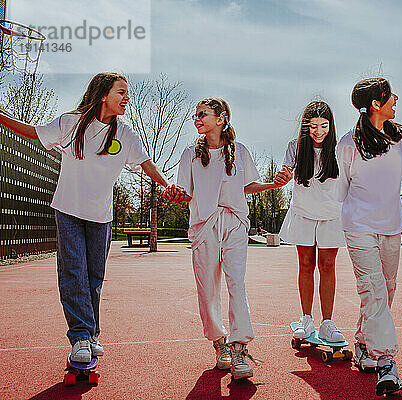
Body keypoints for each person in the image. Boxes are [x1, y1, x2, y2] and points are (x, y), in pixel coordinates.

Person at [0, 73, 176, 363]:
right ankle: (80, 337)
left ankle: (91, 334)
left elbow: (146, 163)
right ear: (104, 94)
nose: (126, 98)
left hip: (101, 216)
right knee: (73, 274)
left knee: (94, 278)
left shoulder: (125, 133)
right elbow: (34, 132)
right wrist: (3, 117)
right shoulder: (71, 123)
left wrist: (168, 186)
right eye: (121, 92)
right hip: (68, 210)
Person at [167, 98, 288, 380]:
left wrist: (274, 184)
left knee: (237, 284)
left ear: (222, 118)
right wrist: (174, 195)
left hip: (234, 224)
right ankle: (219, 343)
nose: (197, 119)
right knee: (207, 290)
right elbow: (186, 192)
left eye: (203, 114)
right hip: (204, 226)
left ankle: (239, 348)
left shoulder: (241, 151)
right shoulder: (190, 154)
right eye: (195, 115)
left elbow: (248, 186)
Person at [337, 78, 402, 396]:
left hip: (392, 225)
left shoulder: (397, 137)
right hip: (359, 227)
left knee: (386, 289)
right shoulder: (348, 144)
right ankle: (386, 362)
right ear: (376, 104)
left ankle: (363, 343)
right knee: (374, 289)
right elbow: (341, 189)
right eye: (390, 96)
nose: (396, 99)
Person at [277, 101, 346, 343]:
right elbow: (286, 172)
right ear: (305, 126)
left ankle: (327, 322)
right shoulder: (294, 147)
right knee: (306, 265)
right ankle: (306, 318)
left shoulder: (340, 149)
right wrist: (283, 176)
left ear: (331, 126)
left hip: (332, 216)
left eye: (323, 126)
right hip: (303, 213)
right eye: (313, 126)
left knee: (327, 266)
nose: (318, 131)